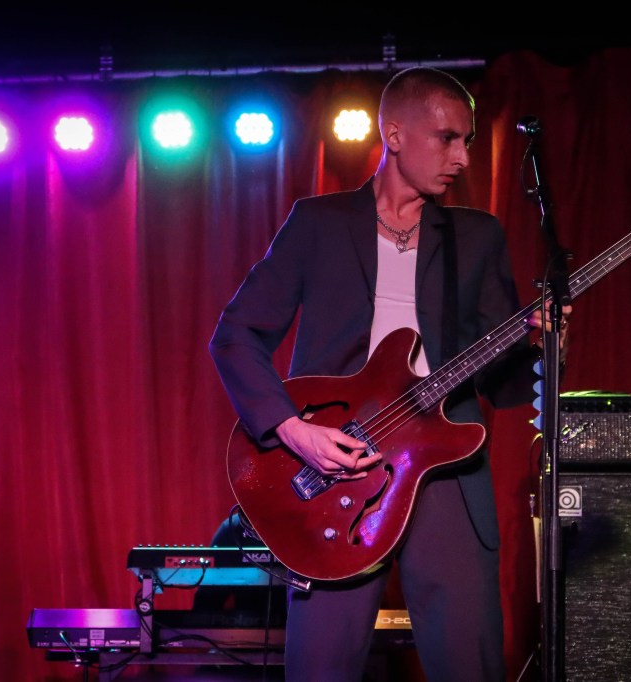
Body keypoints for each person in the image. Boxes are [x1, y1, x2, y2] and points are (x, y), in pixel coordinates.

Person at [209, 66, 570, 682]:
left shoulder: (476, 236)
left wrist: (544, 340)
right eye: (447, 138)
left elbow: (506, 383)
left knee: (470, 664)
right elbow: (235, 335)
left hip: (447, 472)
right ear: (395, 135)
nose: (461, 156)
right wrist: (295, 431)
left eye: (467, 141)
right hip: (333, 472)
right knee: (320, 668)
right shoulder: (317, 223)